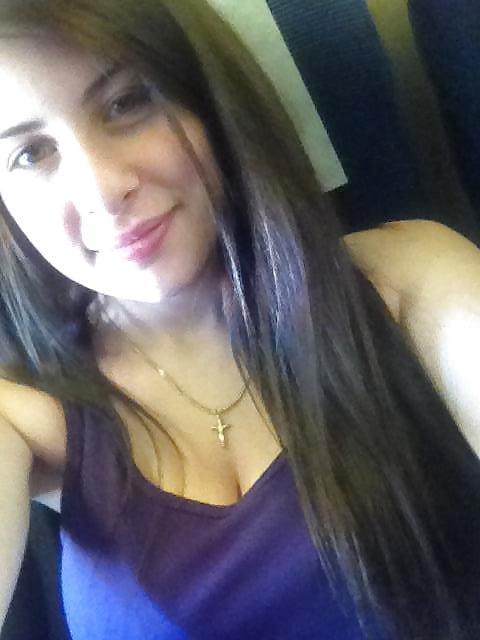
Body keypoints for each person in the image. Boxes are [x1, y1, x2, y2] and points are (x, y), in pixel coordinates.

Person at [0, 1, 478, 639]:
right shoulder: (25, 411)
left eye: (127, 103)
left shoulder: (410, 279)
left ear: (210, 101)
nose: (102, 189)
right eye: (30, 154)